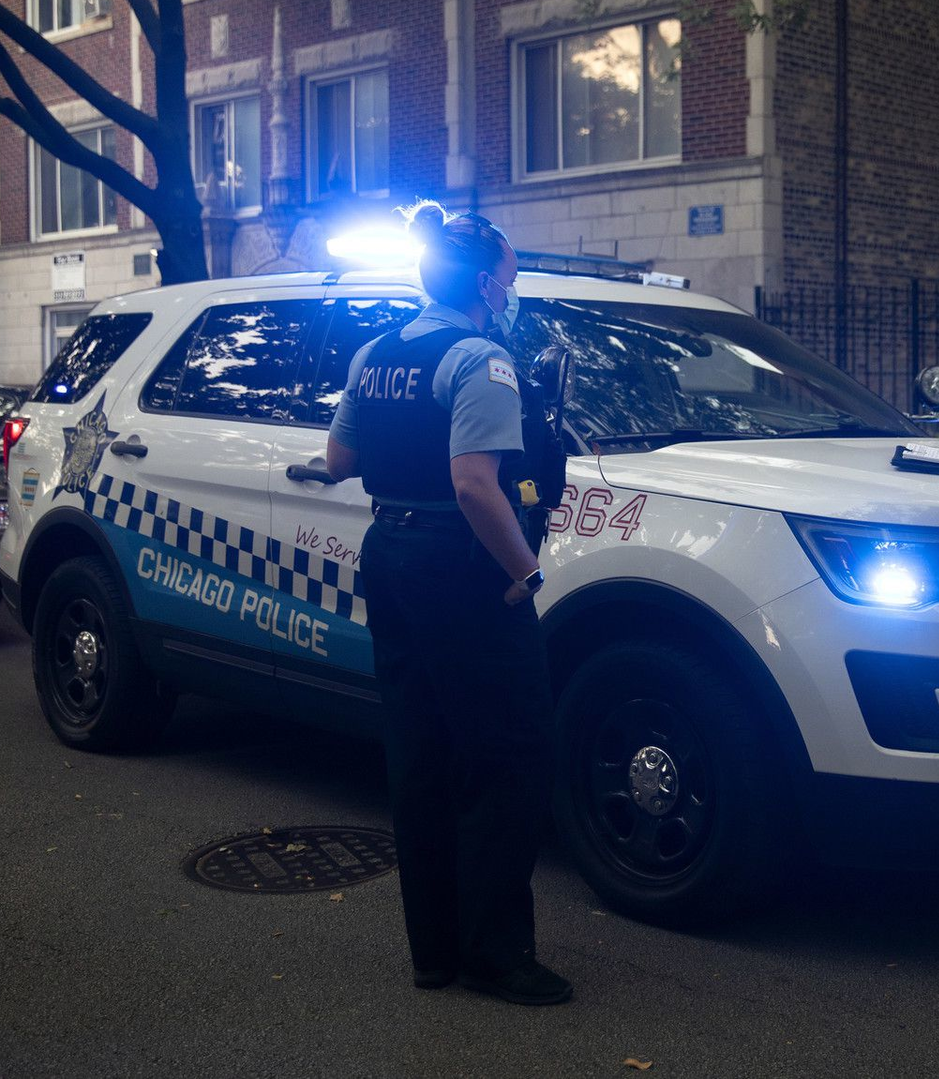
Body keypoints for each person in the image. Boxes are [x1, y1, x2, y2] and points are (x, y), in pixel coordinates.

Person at [324, 201, 571, 1005]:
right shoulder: (479, 362)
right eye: (506, 275)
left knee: (420, 750)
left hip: (390, 554)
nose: (511, 288)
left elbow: (340, 455)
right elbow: (475, 485)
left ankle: (434, 951)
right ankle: (497, 954)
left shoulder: (374, 353)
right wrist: (526, 573)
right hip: (463, 570)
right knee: (507, 758)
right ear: (478, 282)